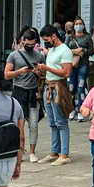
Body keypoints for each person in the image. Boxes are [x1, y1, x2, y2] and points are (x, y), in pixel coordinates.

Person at [5, 29, 45, 163]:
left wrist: (38, 72)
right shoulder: (14, 56)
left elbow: (43, 75)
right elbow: (6, 74)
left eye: (32, 45)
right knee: (18, 124)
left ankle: (32, 151)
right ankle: (18, 150)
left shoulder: (39, 56)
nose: (30, 47)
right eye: (27, 44)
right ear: (23, 42)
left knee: (33, 124)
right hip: (19, 91)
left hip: (33, 92)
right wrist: (19, 71)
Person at [36, 25, 73, 166]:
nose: (46, 42)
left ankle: (64, 154)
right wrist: (41, 71)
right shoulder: (51, 50)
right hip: (48, 86)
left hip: (59, 87)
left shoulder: (65, 50)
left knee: (61, 122)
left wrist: (47, 68)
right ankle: (54, 151)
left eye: (47, 39)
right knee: (52, 122)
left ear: (54, 36)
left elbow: (66, 72)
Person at [67, 17, 92, 122]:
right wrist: (73, 51)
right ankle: (72, 109)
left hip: (83, 64)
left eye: (80, 23)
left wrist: (83, 50)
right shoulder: (69, 37)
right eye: (76, 23)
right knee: (71, 88)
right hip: (72, 65)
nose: (78, 25)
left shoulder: (87, 37)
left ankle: (81, 110)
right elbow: (64, 49)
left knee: (81, 87)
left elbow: (91, 51)